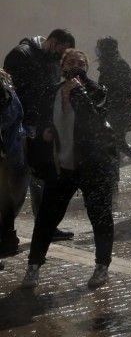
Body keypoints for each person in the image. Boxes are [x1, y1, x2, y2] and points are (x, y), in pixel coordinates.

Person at [21, 50, 119, 290]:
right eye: (71, 62)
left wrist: (77, 93)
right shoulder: (52, 91)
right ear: (62, 66)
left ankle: (102, 266)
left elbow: (94, 122)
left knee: (100, 217)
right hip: (62, 167)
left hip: (93, 168)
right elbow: (44, 118)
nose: (76, 66)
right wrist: (46, 130)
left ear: (87, 68)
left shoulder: (96, 92)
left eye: (81, 63)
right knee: (46, 218)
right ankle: (33, 267)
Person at [3, 29, 77, 247]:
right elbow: (12, 94)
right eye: (60, 52)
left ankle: (46, 225)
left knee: (42, 180)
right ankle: (4, 231)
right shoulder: (21, 54)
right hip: (23, 128)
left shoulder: (51, 60)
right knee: (20, 180)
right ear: (52, 42)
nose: (60, 58)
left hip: (43, 126)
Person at [95, 37, 131, 165]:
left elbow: (124, 90)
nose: (96, 51)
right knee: (118, 143)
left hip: (119, 112)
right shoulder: (109, 65)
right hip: (114, 111)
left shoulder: (117, 65)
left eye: (98, 47)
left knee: (118, 143)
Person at [0, 69, 28, 260]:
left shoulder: (5, 87)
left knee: (6, 199)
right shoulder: (7, 87)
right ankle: (8, 240)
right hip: (9, 151)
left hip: (8, 151)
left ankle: (8, 241)